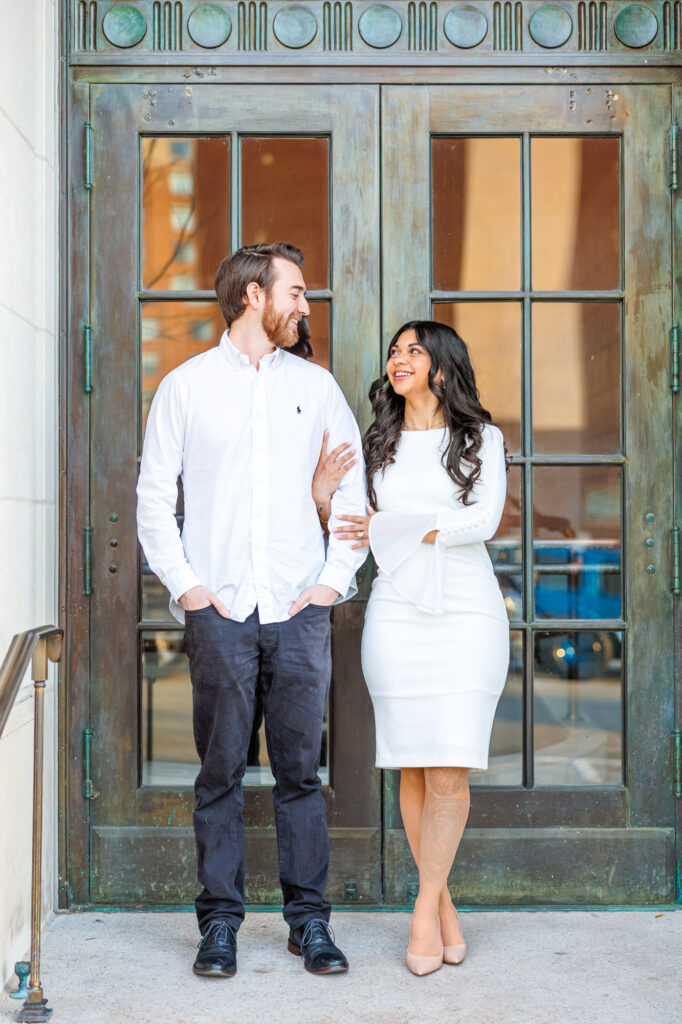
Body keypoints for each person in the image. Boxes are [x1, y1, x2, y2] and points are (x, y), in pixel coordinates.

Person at [137, 242, 367, 978]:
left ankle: (310, 924)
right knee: (220, 776)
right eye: (295, 292)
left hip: (299, 610)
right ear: (252, 297)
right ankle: (220, 926)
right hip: (222, 611)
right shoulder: (185, 387)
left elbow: (353, 498)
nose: (306, 305)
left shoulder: (318, 388)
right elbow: (152, 503)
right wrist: (191, 590)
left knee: (301, 774)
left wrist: (330, 585)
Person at [335, 320, 509, 976]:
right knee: (411, 764)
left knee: (449, 769)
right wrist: (337, 501)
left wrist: (399, 527)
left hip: (467, 613)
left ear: (442, 367)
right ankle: (444, 908)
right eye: (395, 350)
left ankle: (422, 907)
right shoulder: (376, 442)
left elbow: (483, 522)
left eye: (415, 350)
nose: (399, 359)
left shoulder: (481, 439)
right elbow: (355, 522)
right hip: (396, 615)